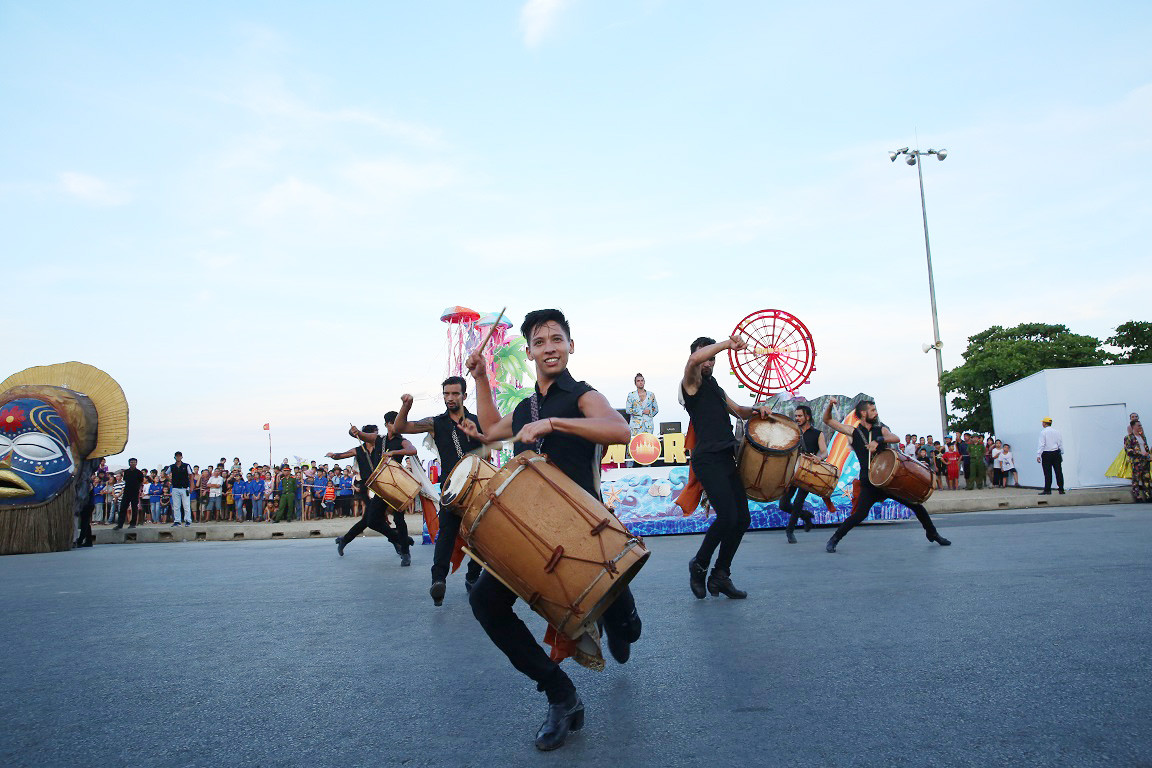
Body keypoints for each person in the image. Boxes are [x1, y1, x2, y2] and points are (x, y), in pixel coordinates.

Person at [460, 308, 642, 751]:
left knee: (629, 631)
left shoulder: (582, 395)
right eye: (539, 343)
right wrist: (482, 377)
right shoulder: (524, 406)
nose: (549, 348)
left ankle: (621, 623)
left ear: (570, 346)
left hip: (587, 532)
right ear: (530, 353)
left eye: (556, 339)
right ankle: (561, 696)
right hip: (530, 529)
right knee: (484, 600)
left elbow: (619, 430)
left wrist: (555, 424)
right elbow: (488, 431)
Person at [681, 335, 772, 598]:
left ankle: (720, 575)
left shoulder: (715, 387)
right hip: (707, 458)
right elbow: (693, 360)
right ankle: (698, 564)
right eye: (706, 355)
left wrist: (757, 409)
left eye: (712, 358)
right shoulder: (691, 382)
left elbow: (739, 410)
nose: (708, 360)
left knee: (743, 518)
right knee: (727, 516)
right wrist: (725, 344)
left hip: (725, 456)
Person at [394, 377, 488, 605]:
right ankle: (438, 581)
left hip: (478, 487)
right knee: (446, 534)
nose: (450, 398)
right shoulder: (436, 423)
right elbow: (400, 428)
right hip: (451, 489)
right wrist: (406, 406)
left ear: (464, 396)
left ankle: (473, 577)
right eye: (446, 394)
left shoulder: (478, 421)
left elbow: (492, 445)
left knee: (481, 535)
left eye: (455, 394)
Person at [822, 398, 951, 553]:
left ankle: (932, 533)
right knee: (859, 515)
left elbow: (895, 438)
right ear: (863, 413)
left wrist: (879, 440)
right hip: (869, 481)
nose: (876, 413)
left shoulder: (880, 430)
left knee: (916, 506)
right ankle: (834, 539)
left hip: (888, 479)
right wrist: (830, 405)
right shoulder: (853, 432)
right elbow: (828, 420)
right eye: (872, 410)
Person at [327, 413, 415, 564]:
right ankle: (401, 540)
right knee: (372, 521)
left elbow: (412, 450)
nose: (399, 426)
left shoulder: (402, 441)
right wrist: (354, 431)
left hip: (395, 487)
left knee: (399, 519)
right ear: (388, 424)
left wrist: (393, 453)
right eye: (395, 423)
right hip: (376, 487)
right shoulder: (378, 440)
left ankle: (405, 553)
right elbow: (359, 435)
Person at [779, 404, 827, 544]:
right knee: (783, 504)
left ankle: (790, 531)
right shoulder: (793, 433)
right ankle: (805, 516)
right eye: (796, 416)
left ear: (808, 417)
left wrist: (819, 457)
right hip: (792, 471)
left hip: (808, 472)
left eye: (800, 416)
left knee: (798, 501)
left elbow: (824, 452)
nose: (797, 418)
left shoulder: (818, 434)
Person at [624, 373, 659, 438]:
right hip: (636, 427)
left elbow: (656, 409)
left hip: (648, 426)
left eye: (642, 380)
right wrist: (641, 412)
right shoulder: (631, 395)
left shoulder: (651, 395)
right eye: (638, 381)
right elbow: (628, 410)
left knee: (648, 445)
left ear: (644, 382)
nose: (640, 382)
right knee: (635, 445)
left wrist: (649, 413)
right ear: (635, 383)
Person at [1123, 420, 1150, 502]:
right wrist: (1139, 452)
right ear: (1133, 427)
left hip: (1145, 460)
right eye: (1138, 425)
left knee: (1146, 478)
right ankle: (1137, 496)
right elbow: (1128, 450)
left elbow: (1146, 448)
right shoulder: (1128, 437)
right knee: (1136, 479)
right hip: (1136, 461)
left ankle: (1148, 495)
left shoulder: (1142, 437)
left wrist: (1148, 455)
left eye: (1140, 425)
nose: (1140, 427)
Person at [1036, 417, 1065, 495]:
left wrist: (1038, 454)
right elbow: (1060, 443)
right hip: (1056, 453)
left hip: (1046, 454)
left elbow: (1042, 444)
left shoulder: (1043, 432)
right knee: (1058, 472)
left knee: (1047, 472)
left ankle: (1047, 489)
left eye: (1043, 422)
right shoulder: (1057, 432)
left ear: (1045, 423)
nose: (1042, 424)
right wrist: (1061, 452)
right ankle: (1061, 489)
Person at [113, 458, 144, 530]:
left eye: (134, 462)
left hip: (135, 492)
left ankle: (133, 523)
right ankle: (120, 524)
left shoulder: (139, 472)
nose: (132, 463)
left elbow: (141, 482)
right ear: (129, 463)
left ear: (136, 463)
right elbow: (125, 480)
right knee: (123, 508)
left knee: (134, 508)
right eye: (131, 462)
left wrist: (139, 490)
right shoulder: (126, 472)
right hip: (126, 492)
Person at [167, 452, 193, 526]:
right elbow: (166, 473)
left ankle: (188, 520)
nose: (178, 458)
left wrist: (191, 486)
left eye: (179, 456)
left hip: (184, 488)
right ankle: (177, 521)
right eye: (177, 456)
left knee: (186, 505)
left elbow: (191, 475)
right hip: (175, 487)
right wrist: (170, 480)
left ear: (181, 457)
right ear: (175, 457)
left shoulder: (186, 465)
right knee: (176, 505)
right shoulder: (172, 466)